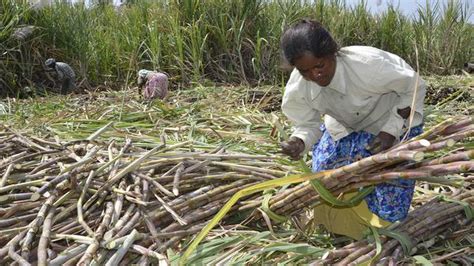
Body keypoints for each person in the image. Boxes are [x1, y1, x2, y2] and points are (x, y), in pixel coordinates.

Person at [279, 19, 426, 240]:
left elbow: (413, 88)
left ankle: (380, 234)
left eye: (320, 66)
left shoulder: (369, 66)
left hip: (393, 118)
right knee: (326, 177)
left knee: (390, 190)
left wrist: (390, 131)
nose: (315, 75)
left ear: (333, 53)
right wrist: (299, 141)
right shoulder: (299, 86)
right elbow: (307, 124)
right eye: (305, 71)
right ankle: (343, 229)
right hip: (346, 123)